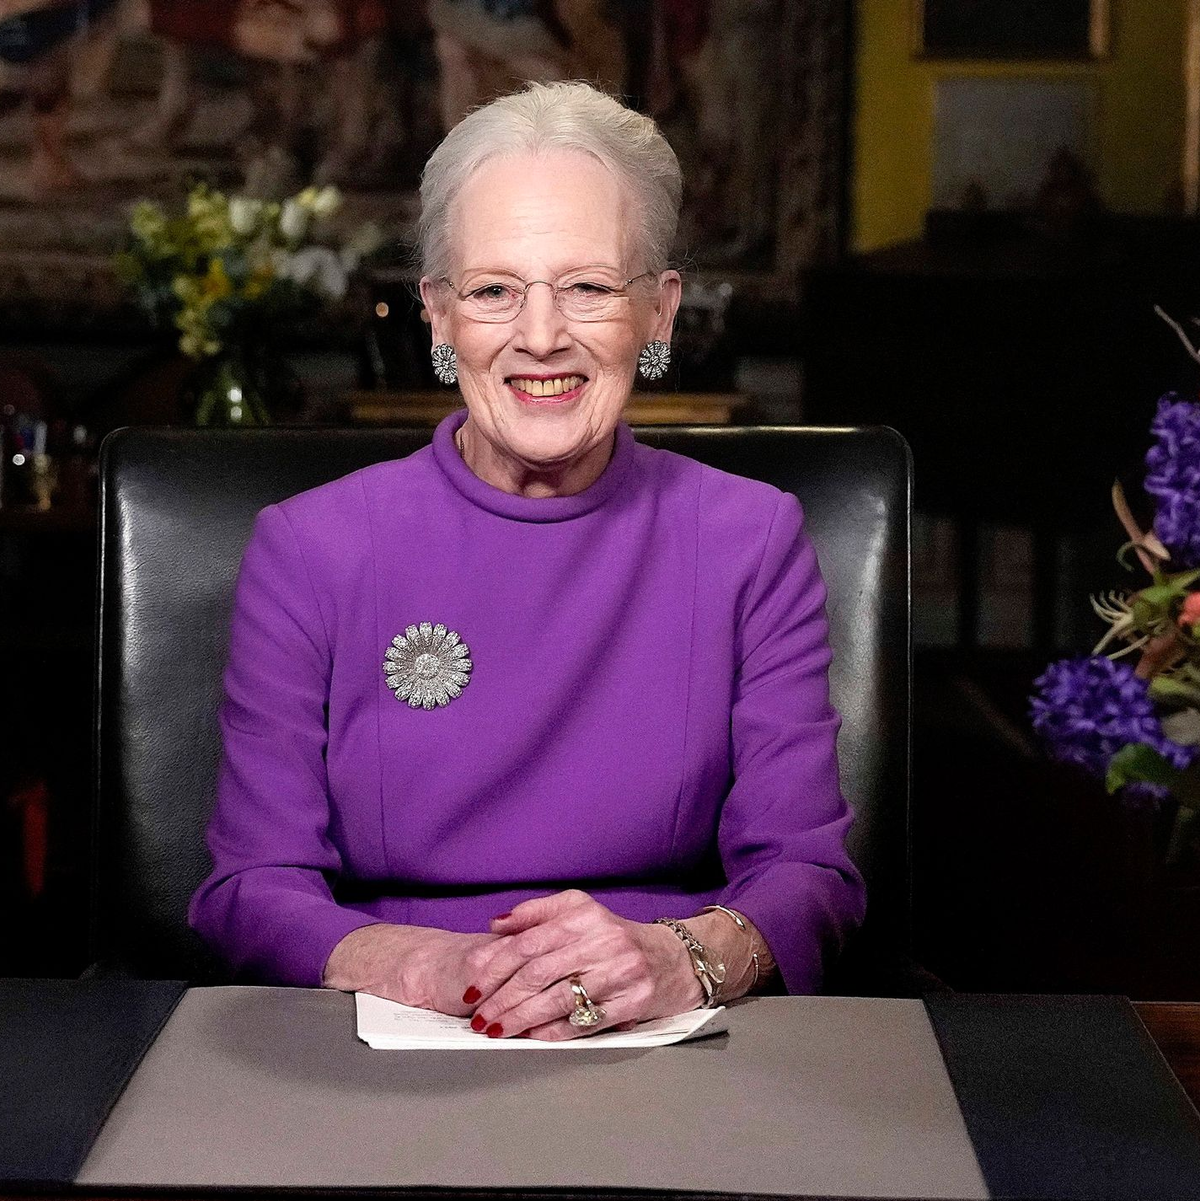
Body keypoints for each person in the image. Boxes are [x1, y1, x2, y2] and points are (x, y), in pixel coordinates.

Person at [189, 80, 865, 1039]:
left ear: (659, 312)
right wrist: (436, 967)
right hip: (386, 1032)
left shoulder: (750, 539)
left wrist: (678, 958)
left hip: (666, 1038)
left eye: (588, 287)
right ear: (437, 315)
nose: (540, 336)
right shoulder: (310, 547)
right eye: (495, 290)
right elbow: (250, 886)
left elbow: (809, 875)